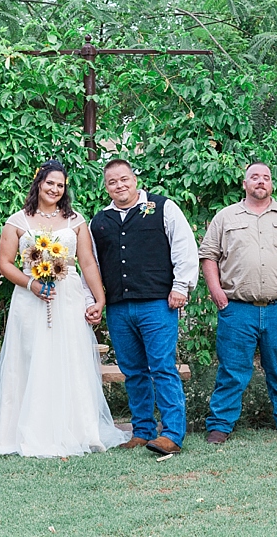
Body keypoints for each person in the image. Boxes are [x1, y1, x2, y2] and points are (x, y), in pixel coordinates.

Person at [0, 160, 128, 457]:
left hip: (68, 297)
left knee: (69, 357)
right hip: (30, 298)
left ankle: (77, 429)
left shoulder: (76, 221)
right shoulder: (17, 221)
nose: (55, 189)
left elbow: (87, 262)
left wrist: (98, 299)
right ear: (39, 184)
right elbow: (5, 263)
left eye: (61, 185)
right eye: (50, 183)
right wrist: (31, 284)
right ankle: (24, 429)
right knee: (30, 357)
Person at [88, 159, 199, 455]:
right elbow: (93, 265)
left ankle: (173, 434)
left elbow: (184, 246)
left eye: (124, 179)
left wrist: (180, 286)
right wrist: (94, 301)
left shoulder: (163, 207)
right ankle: (143, 431)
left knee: (162, 368)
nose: (119, 185)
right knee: (133, 370)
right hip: (119, 307)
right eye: (112, 182)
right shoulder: (99, 221)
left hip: (157, 304)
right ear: (106, 186)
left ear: (134, 179)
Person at [200, 162, 277, 443]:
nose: (260, 182)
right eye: (254, 177)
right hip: (238, 309)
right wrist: (216, 291)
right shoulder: (225, 217)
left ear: (272, 184)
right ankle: (220, 425)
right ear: (244, 183)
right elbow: (208, 255)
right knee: (232, 370)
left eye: (266, 178)